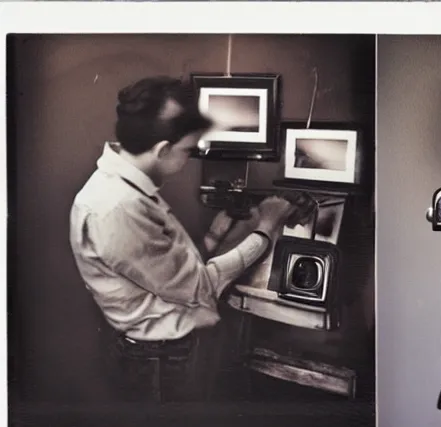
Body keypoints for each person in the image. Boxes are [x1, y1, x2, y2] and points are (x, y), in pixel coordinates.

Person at [69, 76, 295, 400]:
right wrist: (267, 228)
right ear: (162, 150)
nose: (190, 157)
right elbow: (201, 288)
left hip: (156, 354)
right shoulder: (119, 208)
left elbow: (162, 271)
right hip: (156, 362)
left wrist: (217, 235)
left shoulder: (125, 187)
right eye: (188, 150)